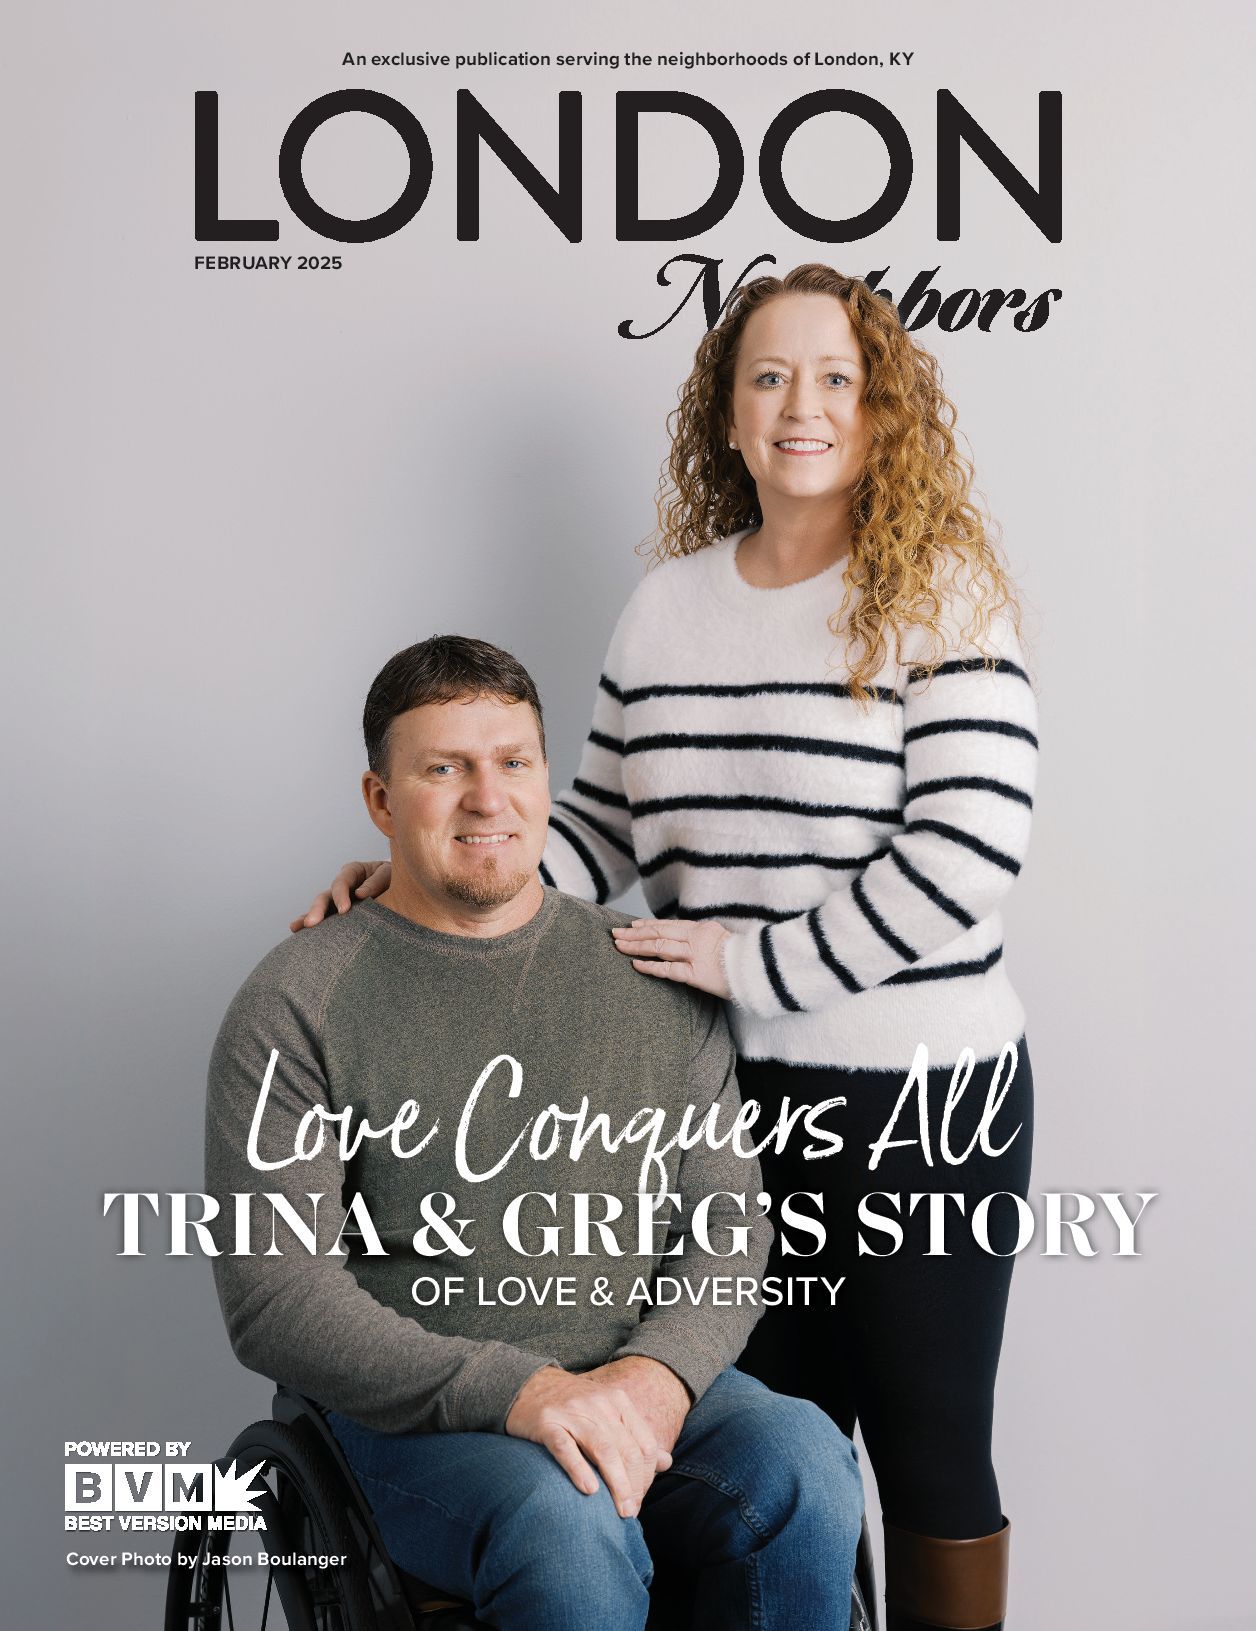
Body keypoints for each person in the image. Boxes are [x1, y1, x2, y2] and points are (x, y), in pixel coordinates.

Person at [297, 267, 1038, 1631]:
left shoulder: (943, 595)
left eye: (836, 377)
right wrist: (419, 883)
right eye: (769, 377)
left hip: (925, 1105)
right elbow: (592, 829)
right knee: (765, 1458)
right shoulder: (669, 609)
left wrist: (748, 965)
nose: (802, 405)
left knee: (929, 1450)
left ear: (883, 409)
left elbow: (964, 861)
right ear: (728, 414)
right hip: (718, 1101)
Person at [209, 634, 863, 1631]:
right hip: (416, 1419)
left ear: (546, 778)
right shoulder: (296, 1001)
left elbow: (727, 1222)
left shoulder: (648, 975)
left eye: (512, 761)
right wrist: (525, 1390)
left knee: (806, 1460)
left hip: (635, 1374)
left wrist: (657, 1375)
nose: (487, 798)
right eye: (444, 768)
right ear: (381, 800)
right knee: (564, 1517)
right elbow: (276, 1297)